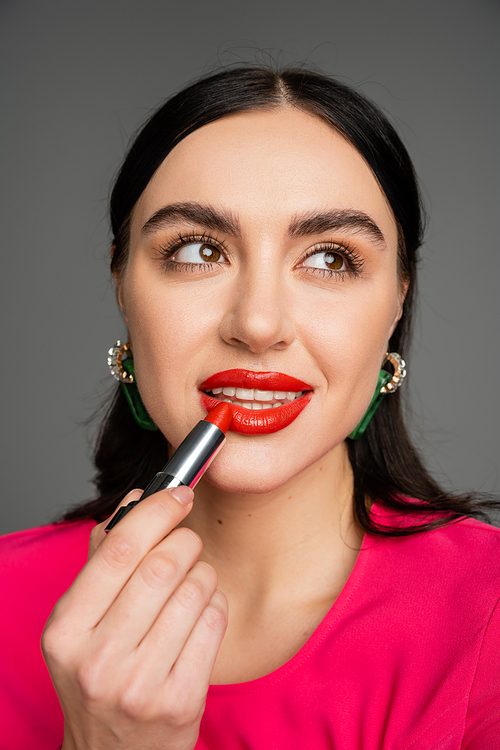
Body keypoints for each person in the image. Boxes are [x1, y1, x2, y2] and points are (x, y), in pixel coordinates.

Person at [1, 66, 499, 749]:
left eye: (329, 259)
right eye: (199, 250)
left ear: (397, 302)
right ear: (121, 283)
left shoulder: (487, 613)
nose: (259, 324)